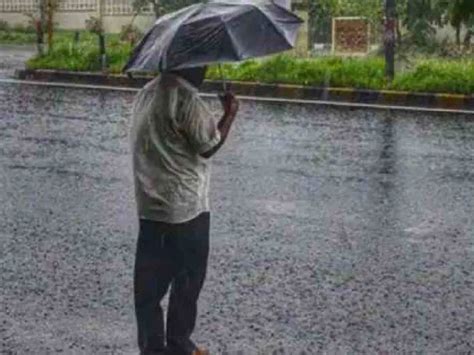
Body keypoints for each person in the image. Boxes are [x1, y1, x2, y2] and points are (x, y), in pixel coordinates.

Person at [130, 66, 239, 355]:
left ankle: (152, 349)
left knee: (148, 291)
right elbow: (208, 145)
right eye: (202, 63)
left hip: (151, 209)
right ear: (189, 64)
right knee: (187, 281)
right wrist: (230, 113)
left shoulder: (146, 93)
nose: (204, 70)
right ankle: (179, 345)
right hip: (186, 211)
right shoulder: (185, 99)